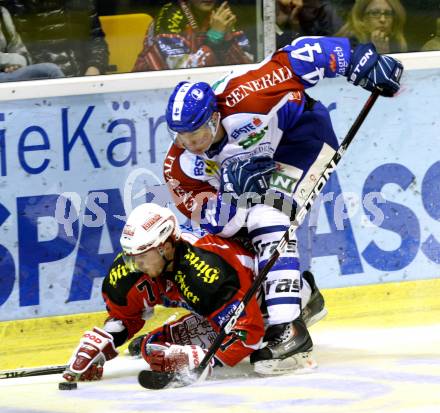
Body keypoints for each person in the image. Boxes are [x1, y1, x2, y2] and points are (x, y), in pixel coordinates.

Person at [163, 36, 402, 372]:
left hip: (302, 142)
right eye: (180, 136)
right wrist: (232, 195)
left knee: (269, 216)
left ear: (215, 117)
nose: (190, 143)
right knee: (228, 244)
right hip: (255, 173)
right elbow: (214, 224)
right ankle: (301, 294)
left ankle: (288, 329)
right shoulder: (179, 167)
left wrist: (356, 60)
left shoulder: (248, 94)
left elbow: (300, 55)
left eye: (197, 133)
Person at [63, 203, 326, 382]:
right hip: (219, 302)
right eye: (130, 257)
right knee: (152, 347)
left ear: (166, 248)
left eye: (141, 257)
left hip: (258, 301)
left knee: (246, 343)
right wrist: (105, 340)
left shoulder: (205, 271)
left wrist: (204, 359)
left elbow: (248, 333)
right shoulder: (138, 267)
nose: (134, 265)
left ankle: (303, 298)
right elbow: (126, 316)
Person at [132, 0, 253, 71]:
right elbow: (181, 73)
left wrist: (227, 40)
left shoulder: (225, 13)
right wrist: (214, 39)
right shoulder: (169, 16)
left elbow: (246, 66)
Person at [5, 0, 109, 77]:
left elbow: (96, 40)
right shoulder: (12, 6)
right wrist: (14, 66)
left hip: (81, 79)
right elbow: (11, 50)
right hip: (37, 85)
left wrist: (94, 69)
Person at [0, 5, 64, 81]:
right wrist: (16, 61)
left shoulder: (2, 12)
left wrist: (17, 65)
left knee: (47, 73)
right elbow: (18, 59)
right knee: (50, 71)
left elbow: (17, 46)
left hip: (6, 73)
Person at [335, 0, 408, 53]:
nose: (382, 19)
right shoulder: (347, 44)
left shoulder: (395, 42)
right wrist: (378, 55)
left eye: (388, 13)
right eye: (375, 13)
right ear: (361, 18)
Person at [276, 0, 343, 48]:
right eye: (284, 8)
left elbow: (335, 44)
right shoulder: (302, 14)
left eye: (291, 5)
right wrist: (295, 22)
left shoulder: (324, 10)